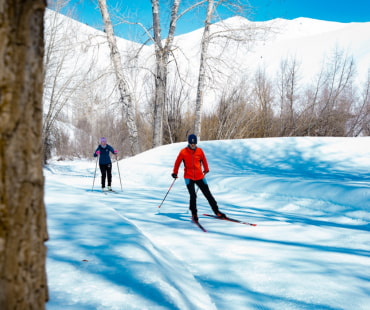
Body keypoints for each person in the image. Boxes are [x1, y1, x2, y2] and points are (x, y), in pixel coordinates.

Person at [172, 134, 226, 223]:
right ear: (189, 142)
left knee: (208, 194)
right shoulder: (183, 152)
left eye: (194, 143)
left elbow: (204, 160)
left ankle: (217, 211)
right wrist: (175, 172)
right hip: (188, 177)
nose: (193, 144)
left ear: (196, 143)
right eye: (191, 143)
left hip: (199, 176)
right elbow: (177, 163)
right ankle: (194, 213)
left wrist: (206, 169)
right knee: (193, 195)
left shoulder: (200, 151)